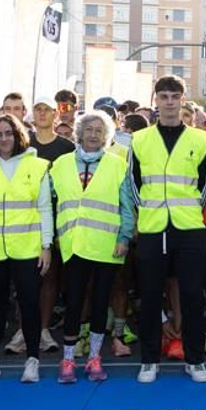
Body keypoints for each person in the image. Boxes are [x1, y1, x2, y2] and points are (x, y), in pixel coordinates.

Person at [130, 76, 206, 383]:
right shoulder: (140, 140)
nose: (168, 101)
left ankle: (195, 360)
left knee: (192, 295)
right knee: (150, 296)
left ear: (182, 99)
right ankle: (149, 360)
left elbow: (205, 185)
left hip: (189, 227)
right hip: (152, 226)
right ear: (155, 100)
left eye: (174, 96)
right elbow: (133, 182)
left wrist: (189, 209)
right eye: (163, 96)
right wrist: (147, 210)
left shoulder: (200, 139)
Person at [0, 114, 53, 384]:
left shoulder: (37, 166)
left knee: (29, 305)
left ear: (18, 136)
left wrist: (46, 245)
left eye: (9, 133)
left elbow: (44, 207)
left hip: (28, 249)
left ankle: (32, 360)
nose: (4, 139)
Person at [49, 110, 134, 383]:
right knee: (74, 302)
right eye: (89, 129)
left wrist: (125, 237)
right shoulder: (60, 164)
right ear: (80, 132)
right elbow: (46, 202)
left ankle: (95, 357)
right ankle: (68, 359)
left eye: (100, 130)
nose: (94, 134)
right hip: (73, 244)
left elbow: (127, 206)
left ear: (107, 136)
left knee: (100, 303)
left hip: (106, 245)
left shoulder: (118, 165)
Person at [28, 94, 76, 356]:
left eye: (48, 110)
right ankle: (25, 329)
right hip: (25, 220)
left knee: (51, 277)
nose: (43, 114)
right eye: (38, 109)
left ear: (56, 115)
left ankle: (44, 329)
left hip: (59, 219)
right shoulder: (23, 144)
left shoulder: (68, 147)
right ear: (32, 115)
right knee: (25, 279)